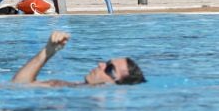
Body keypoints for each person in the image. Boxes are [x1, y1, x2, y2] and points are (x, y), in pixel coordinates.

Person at [11, 31, 146, 86]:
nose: (100, 64)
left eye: (109, 69)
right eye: (106, 63)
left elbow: (19, 87)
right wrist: (48, 52)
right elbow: (19, 85)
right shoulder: (70, 86)